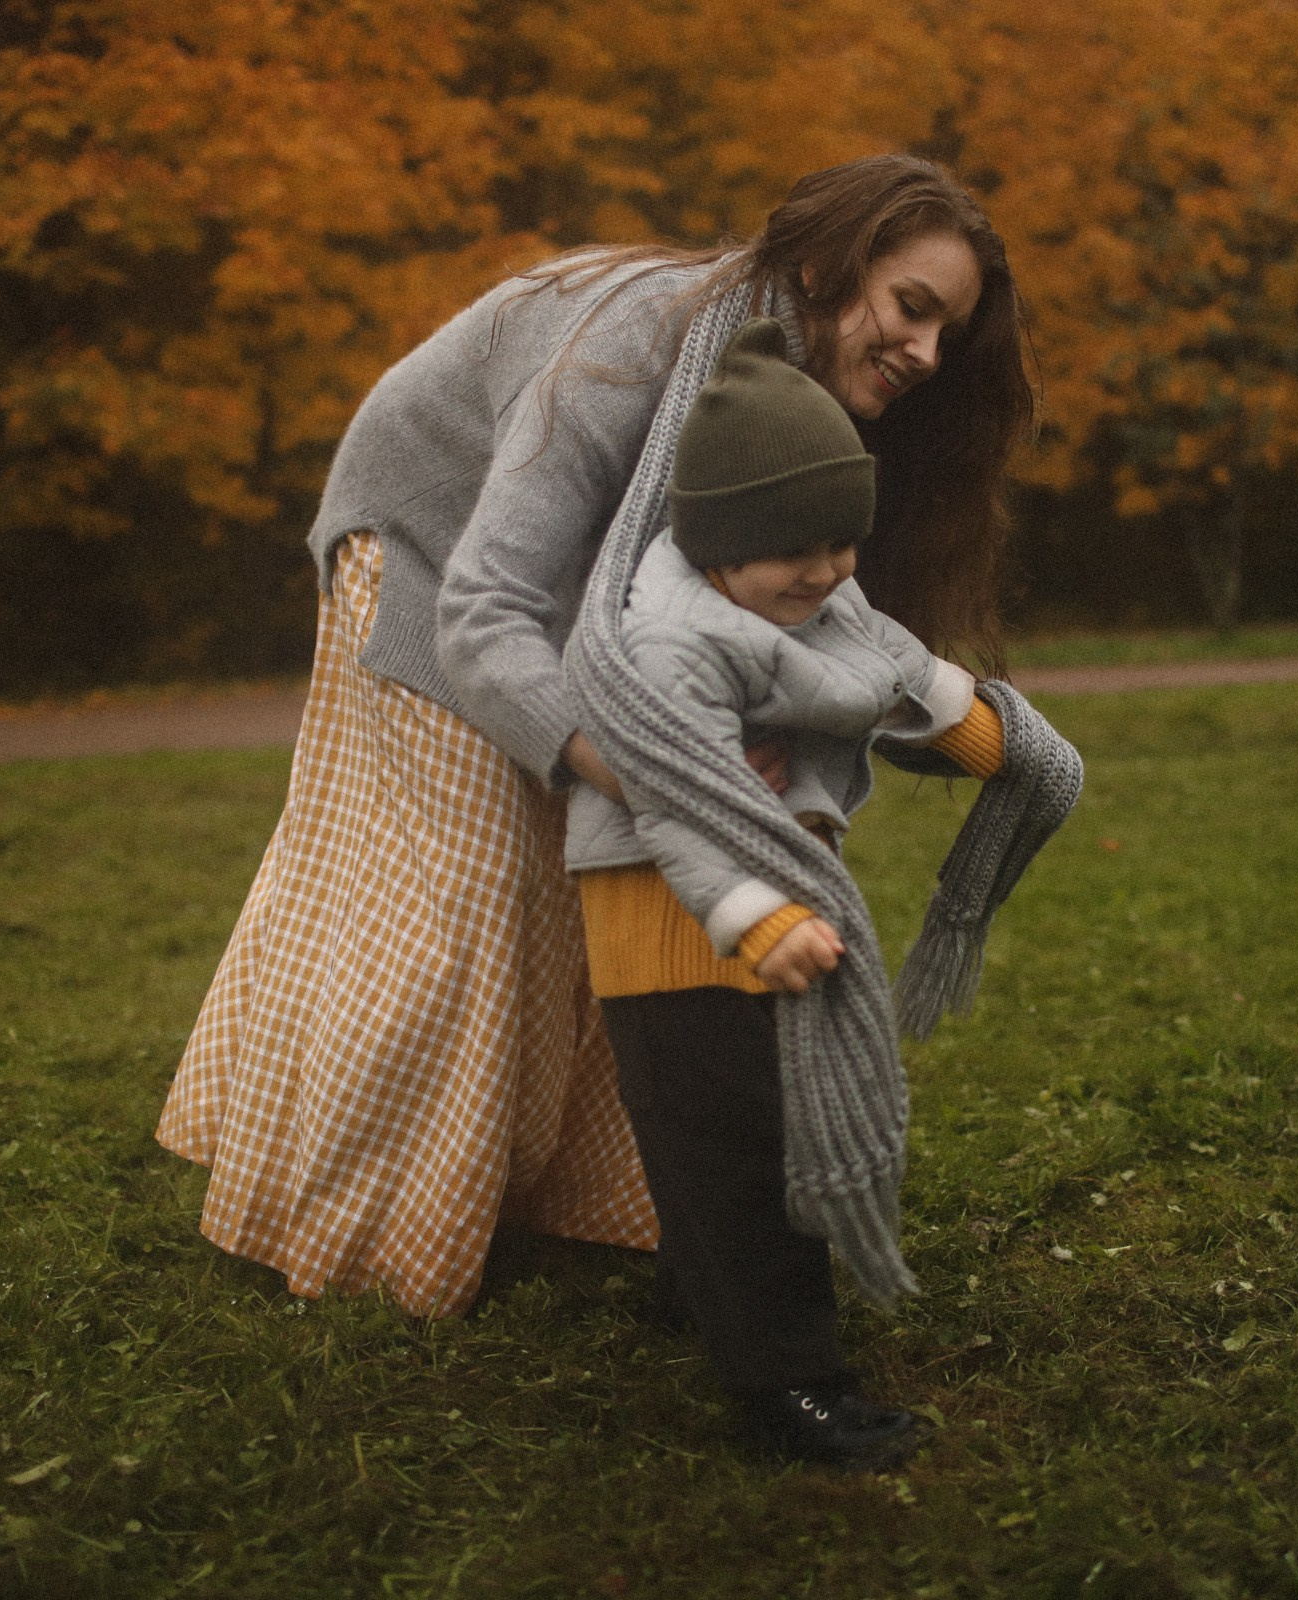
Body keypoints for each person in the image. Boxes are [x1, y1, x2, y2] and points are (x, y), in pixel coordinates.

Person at [155, 155, 1034, 1330]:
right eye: (909, 306)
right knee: (461, 903)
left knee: (597, 889)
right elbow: (486, 608)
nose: (925, 353)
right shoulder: (637, 352)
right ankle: (350, 1243)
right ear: (828, 266)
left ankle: (567, 1199)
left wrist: (957, 728)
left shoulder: (786, 394)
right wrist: (645, 763)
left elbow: (790, 632)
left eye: (947, 332)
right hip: (430, 557)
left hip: (555, 591)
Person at [568, 319, 1018, 1468]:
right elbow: (674, 805)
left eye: (842, 544)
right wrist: (749, 917)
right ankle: (790, 1387)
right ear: (716, 545)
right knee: (741, 1142)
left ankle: (710, 1296)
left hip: (766, 896)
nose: (823, 573)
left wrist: (983, 736)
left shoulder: (804, 598)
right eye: (793, 552)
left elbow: (890, 664)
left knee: (736, 1135)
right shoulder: (668, 642)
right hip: (670, 912)